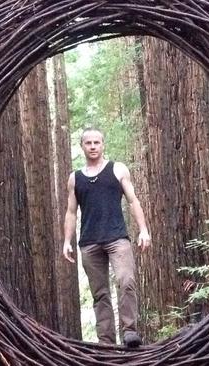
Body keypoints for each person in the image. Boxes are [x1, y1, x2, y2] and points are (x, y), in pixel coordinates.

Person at [62, 127, 151, 348]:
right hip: (89, 243)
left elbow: (133, 201)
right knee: (100, 293)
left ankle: (130, 332)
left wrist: (143, 230)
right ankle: (106, 342)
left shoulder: (117, 169)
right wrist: (66, 241)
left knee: (126, 281)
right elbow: (71, 212)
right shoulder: (75, 178)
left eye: (96, 142)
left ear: (103, 144)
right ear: (82, 146)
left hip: (117, 237)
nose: (93, 146)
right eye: (88, 143)